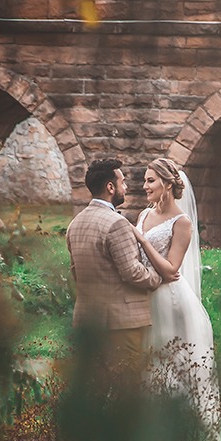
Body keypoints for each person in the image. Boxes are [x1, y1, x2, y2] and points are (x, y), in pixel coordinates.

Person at [131, 157, 221, 441]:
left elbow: (171, 270)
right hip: (143, 295)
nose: (144, 187)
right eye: (144, 180)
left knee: (172, 370)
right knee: (144, 368)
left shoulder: (182, 223)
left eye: (150, 181)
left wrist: (143, 243)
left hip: (169, 301)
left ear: (168, 184)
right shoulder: (144, 214)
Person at [65, 157, 172, 385]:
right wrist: (157, 278)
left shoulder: (75, 223)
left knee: (95, 386)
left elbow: (76, 272)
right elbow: (132, 272)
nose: (126, 187)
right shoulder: (117, 223)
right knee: (126, 390)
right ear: (110, 187)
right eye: (123, 182)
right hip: (122, 324)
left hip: (87, 321)